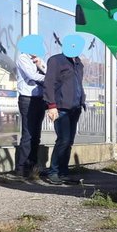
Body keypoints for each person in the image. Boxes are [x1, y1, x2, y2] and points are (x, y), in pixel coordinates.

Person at [42, 36, 86, 185]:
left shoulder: (79, 63)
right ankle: (53, 172)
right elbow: (49, 83)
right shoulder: (56, 61)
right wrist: (51, 106)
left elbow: (78, 84)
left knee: (69, 141)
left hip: (75, 107)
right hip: (61, 107)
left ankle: (63, 172)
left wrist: (82, 101)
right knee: (63, 140)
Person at [13, 51, 46, 178]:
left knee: (36, 135)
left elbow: (46, 71)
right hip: (27, 99)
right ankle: (20, 168)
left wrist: (40, 64)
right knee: (28, 134)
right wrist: (49, 78)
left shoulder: (39, 58)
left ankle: (32, 166)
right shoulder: (22, 58)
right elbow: (31, 75)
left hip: (40, 98)